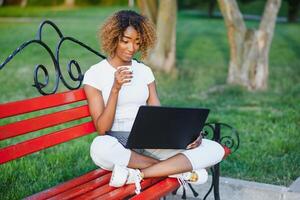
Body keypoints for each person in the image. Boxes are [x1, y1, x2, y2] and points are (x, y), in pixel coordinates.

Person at [83, 10, 225, 194]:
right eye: (125, 41)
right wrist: (115, 89)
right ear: (113, 38)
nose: (131, 48)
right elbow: (102, 129)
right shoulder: (95, 74)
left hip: (149, 140)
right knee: (99, 148)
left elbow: (159, 116)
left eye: (137, 42)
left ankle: (139, 175)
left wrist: (188, 136)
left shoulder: (144, 72)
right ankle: (176, 171)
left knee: (214, 149)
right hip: (119, 143)